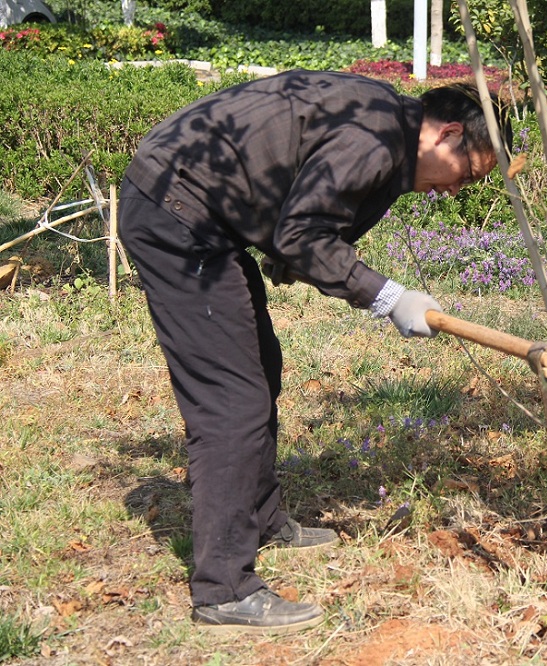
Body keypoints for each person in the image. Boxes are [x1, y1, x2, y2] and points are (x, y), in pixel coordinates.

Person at [117, 70, 512, 634]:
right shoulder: (373, 136)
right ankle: (224, 587)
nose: (455, 191)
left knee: (261, 366)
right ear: (448, 134)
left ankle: (259, 516)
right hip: (175, 212)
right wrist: (388, 296)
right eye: (467, 175)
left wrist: (297, 257)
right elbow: (304, 236)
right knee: (232, 400)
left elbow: (308, 219)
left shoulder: (390, 137)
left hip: (206, 213)